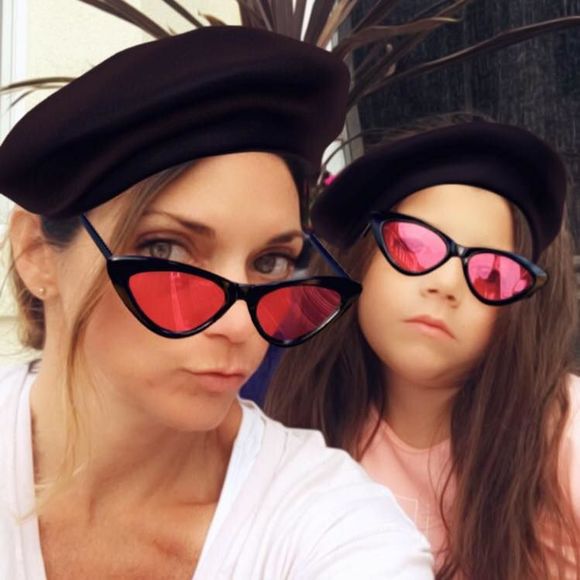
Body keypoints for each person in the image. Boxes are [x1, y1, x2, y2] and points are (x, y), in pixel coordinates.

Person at [0, 27, 433, 579]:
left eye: (270, 261)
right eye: (166, 249)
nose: (239, 326)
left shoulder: (329, 525)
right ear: (37, 253)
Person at [266, 118, 580, 579]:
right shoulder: (305, 423)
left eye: (492, 273)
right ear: (361, 260)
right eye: (413, 246)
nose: (445, 284)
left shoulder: (565, 432)